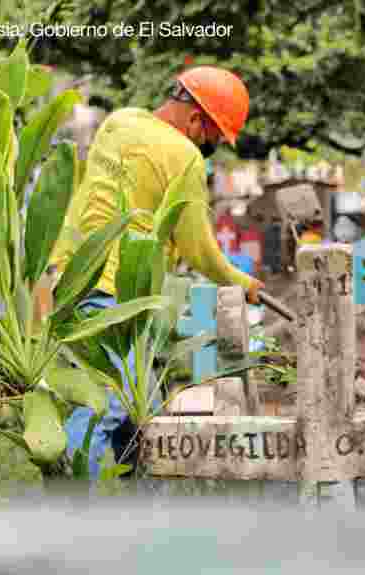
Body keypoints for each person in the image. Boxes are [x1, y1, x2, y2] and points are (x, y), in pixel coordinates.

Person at [49, 66, 265, 479]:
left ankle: (133, 503)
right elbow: (197, 247)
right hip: (119, 290)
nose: (208, 149)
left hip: (76, 280)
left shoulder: (119, 122)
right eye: (212, 141)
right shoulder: (183, 158)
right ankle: (75, 509)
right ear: (197, 119)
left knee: (140, 402)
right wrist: (243, 283)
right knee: (108, 405)